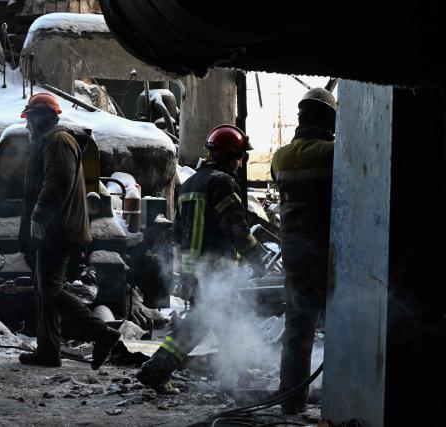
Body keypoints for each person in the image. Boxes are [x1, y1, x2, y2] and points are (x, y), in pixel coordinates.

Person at [136, 124, 265, 392]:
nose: (240, 162)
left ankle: (235, 378)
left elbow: (180, 233)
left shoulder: (191, 183)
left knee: (218, 322)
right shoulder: (223, 182)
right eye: (240, 156)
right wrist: (256, 256)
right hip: (217, 269)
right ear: (233, 155)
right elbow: (235, 227)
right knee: (204, 324)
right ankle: (158, 369)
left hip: (193, 269)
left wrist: (185, 273)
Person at [18, 92, 121, 369]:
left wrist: (39, 216)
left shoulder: (58, 141)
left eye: (29, 118)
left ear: (41, 119)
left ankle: (103, 334)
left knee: (50, 290)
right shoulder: (49, 141)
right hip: (54, 229)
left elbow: (57, 181)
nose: (27, 124)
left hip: (58, 230)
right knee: (44, 289)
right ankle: (49, 351)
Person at [270, 87, 337, 414]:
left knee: (297, 333)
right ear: (328, 119)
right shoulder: (331, 153)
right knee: (343, 327)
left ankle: (290, 402)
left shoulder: (280, 156)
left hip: (294, 257)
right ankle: (341, 400)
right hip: (327, 258)